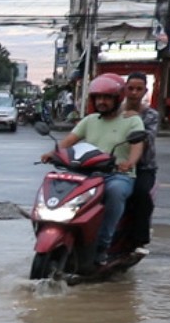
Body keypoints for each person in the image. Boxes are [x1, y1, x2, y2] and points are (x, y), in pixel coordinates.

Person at [40, 73, 144, 265]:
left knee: (115, 192)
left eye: (107, 98)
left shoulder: (132, 120)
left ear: (118, 98)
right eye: (98, 98)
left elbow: (138, 145)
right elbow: (69, 141)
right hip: (87, 173)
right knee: (58, 183)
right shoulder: (89, 120)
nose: (102, 102)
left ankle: (102, 245)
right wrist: (52, 153)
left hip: (118, 175)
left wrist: (129, 162)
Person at [119, 72, 158, 247]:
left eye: (139, 89)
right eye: (131, 88)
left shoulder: (151, 115)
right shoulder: (114, 111)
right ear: (125, 90)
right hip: (114, 164)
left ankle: (139, 241)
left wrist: (134, 120)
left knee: (141, 194)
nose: (134, 92)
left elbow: (147, 140)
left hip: (143, 167)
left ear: (145, 91)